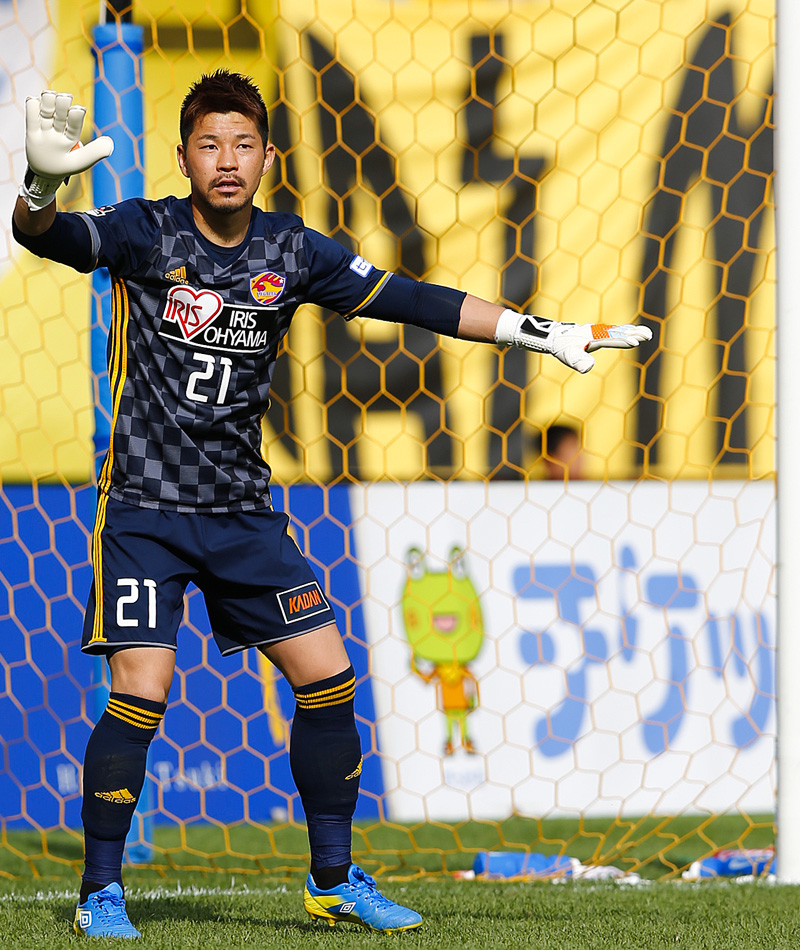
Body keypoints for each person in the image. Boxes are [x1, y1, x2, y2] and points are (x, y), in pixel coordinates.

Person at [12, 71, 651, 937]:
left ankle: (332, 880)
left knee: (329, 676)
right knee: (142, 688)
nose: (226, 160)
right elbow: (47, 236)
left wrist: (536, 331)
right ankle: (100, 891)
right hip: (145, 510)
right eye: (209, 144)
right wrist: (37, 190)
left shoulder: (292, 250)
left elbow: (414, 300)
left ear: (268, 157)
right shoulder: (144, 229)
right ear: (183, 157)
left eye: (243, 144)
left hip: (243, 512)